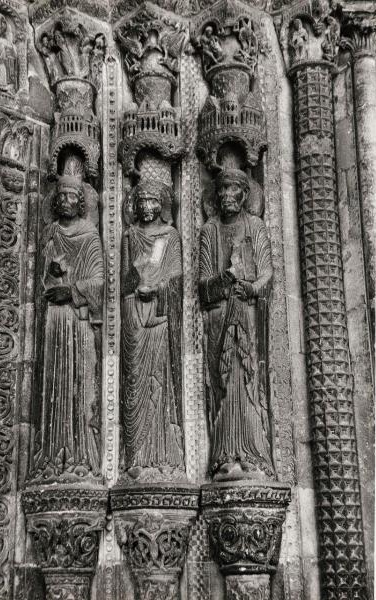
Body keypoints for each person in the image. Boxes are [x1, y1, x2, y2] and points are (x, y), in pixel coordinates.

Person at [199, 168, 274, 481]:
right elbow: (203, 286)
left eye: (234, 190)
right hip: (219, 319)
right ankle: (224, 456)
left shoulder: (254, 226)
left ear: (245, 195)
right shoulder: (210, 230)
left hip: (246, 315)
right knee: (223, 384)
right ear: (216, 196)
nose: (228, 195)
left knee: (247, 381)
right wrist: (224, 278)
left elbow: (267, 273)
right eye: (223, 190)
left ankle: (253, 455)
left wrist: (252, 288)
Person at [32, 160, 104, 482]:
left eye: (72, 197)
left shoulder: (89, 237)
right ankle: (52, 453)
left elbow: (100, 283)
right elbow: (36, 282)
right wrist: (52, 277)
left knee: (79, 385)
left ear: (81, 201)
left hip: (78, 322)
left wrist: (72, 290)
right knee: (54, 386)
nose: (64, 201)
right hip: (53, 323)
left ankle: (82, 456)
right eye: (60, 196)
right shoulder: (49, 234)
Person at [121, 179, 184, 480]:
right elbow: (122, 281)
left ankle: (163, 455)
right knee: (135, 385)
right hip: (134, 319)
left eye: (152, 201)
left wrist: (158, 288)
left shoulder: (170, 237)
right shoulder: (130, 236)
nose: (146, 206)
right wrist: (135, 285)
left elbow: (177, 280)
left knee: (159, 384)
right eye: (141, 201)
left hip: (158, 318)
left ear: (162, 205)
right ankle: (135, 454)